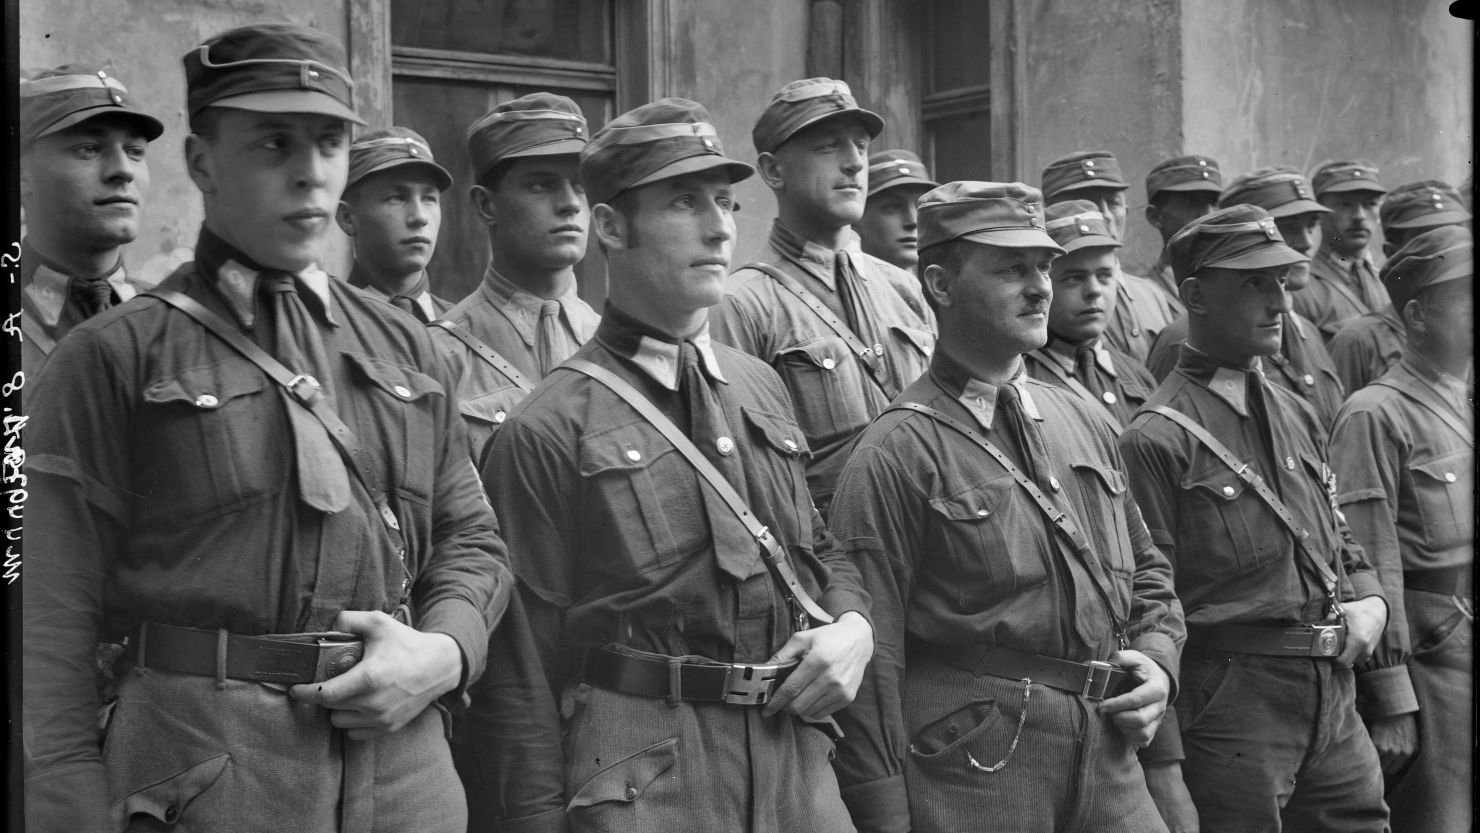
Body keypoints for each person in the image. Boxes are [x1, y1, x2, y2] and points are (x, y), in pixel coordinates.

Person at [21, 23, 509, 831]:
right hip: (205, 776)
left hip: (405, 777)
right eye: (274, 143)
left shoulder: (409, 344)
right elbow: (51, 626)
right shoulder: (115, 353)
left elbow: (471, 537)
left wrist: (444, 651)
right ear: (204, 162)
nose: (310, 173)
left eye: (329, 142)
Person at [483, 98, 875, 833]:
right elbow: (519, 679)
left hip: (793, 760)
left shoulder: (758, 382)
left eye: (725, 202)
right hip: (645, 778)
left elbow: (819, 549)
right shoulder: (548, 425)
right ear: (610, 226)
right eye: (683, 202)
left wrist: (853, 624)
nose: (720, 225)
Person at [830, 181, 1183, 833]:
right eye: (1011, 268)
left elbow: (1151, 576)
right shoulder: (896, 449)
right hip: (977, 767)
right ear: (940, 284)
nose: (1040, 286)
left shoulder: (1086, 419)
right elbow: (873, 657)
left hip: (1106, 753)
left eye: (1044, 266)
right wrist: (883, 816)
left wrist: (1159, 660)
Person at [1120, 205, 1390, 832]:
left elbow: (1335, 529)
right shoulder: (1155, 439)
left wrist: (1372, 599)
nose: (1279, 301)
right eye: (1253, 283)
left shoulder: (1298, 409)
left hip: (1333, 697)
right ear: (1194, 296)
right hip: (1232, 708)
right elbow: (1143, 604)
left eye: (1282, 281)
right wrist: (1163, 768)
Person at [713, 77, 935, 517]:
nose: (854, 164)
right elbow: (743, 480)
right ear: (774, 171)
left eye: (861, 147)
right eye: (829, 146)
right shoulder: (740, 305)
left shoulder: (904, 289)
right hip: (832, 564)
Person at [1329, 225, 1473, 833]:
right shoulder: (1374, 413)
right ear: (1415, 314)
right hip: (1432, 662)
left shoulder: (1464, 397)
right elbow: (1368, 560)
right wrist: (1390, 699)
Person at [431, 93, 599, 461]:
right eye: (542, 184)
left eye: (581, 185)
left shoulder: (609, 342)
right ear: (486, 206)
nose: (570, 203)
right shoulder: (440, 355)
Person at [1147, 166, 1346, 427]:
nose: (1306, 242)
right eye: (1286, 227)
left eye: (1311, 225)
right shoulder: (1187, 337)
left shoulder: (1306, 330)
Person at [18, 64, 163, 388]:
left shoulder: (173, 318)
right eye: (89, 149)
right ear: (22, 175)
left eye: (135, 151)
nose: (123, 171)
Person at [1023, 199, 1157, 428]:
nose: (1094, 290)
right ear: (1042, 283)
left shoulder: (1138, 375)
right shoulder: (1022, 380)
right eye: (1075, 278)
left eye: (1104, 275)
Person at [1041, 150, 1182, 364]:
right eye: (1088, 203)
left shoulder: (1151, 294)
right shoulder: (1044, 300)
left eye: (1113, 203)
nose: (1106, 215)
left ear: (1126, 210)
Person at [1328, 180, 1470, 394]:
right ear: (1391, 253)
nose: (1447, 247)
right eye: (1426, 238)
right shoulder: (1357, 342)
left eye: (1455, 233)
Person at [1295, 159, 1389, 341]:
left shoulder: (1387, 282)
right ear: (1319, 214)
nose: (1359, 216)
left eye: (1370, 204)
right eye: (1344, 205)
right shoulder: (1302, 288)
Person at [1143, 154, 1223, 301]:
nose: (1208, 214)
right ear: (1155, 216)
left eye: (1213, 203)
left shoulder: (1234, 286)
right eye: (1192, 202)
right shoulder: (1144, 298)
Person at [853, 149, 939, 274]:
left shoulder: (938, 289)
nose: (913, 221)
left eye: (922, 206)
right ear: (856, 219)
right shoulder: (844, 290)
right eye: (892, 207)